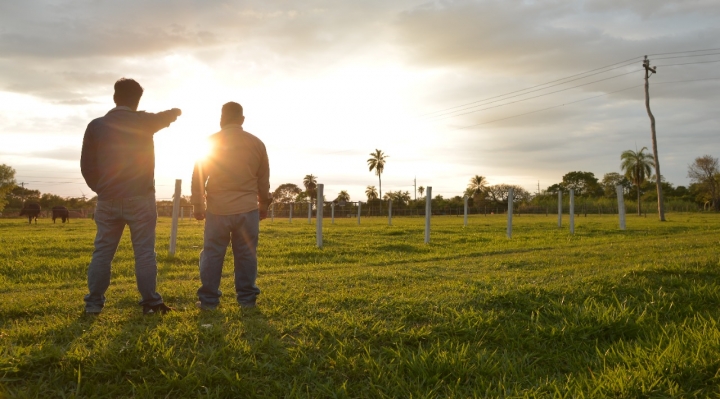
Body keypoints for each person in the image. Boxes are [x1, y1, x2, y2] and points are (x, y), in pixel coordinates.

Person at [80, 78, 182, 315]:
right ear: (137, 101)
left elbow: (86, 166)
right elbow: (167, 115)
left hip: (107, 198)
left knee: (102, 252)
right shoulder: (145, 121)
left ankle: (93, 305)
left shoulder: (96, 125)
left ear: (115, 98)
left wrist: (102, 189)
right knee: (144, 253)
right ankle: (151, 303)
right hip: (140, 198)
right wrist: (177, 111)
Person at [192, 102, 271, 310]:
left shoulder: (210, 142)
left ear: (221, 119)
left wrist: (198, 205)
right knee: (246, 254)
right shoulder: (257, 143)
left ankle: (209, 301)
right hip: (247, 209)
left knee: (212, 253)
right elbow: (263, 180)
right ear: (242, 120)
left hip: (217, 209)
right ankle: (246, 300)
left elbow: (198, 177)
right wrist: (263, 205)